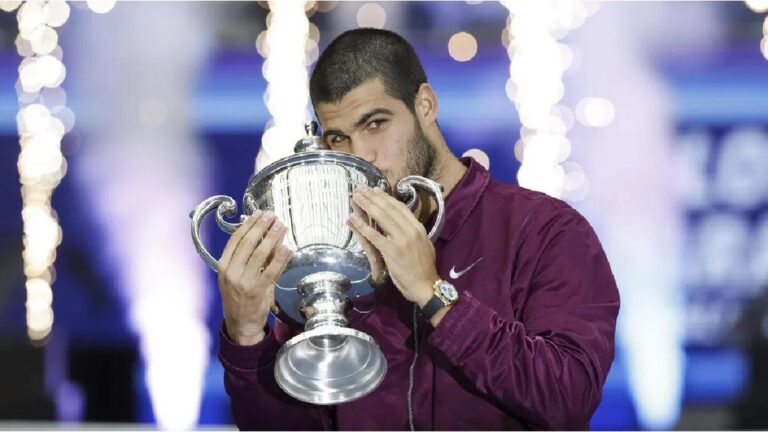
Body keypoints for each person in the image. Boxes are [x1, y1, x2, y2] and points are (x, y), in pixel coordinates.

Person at [215, 28, 620, 430]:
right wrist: (247, 335)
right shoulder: (333, 252)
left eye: (375, 123)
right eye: (339, 137)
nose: (362, 155)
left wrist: (436, 295)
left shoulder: (544, 230)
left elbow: (568, 397)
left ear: (425, 105)